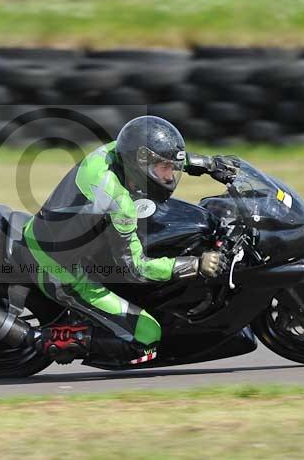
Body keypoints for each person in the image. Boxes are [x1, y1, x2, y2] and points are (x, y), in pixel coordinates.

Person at [22, 115, 240, 365]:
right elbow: (134, 268)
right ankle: (43, 338)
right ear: (140, 163)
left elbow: (151, 152)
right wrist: (194, 265)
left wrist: (206, 163)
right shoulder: (118, 203)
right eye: (164, 169)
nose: (169, 176)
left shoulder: (115, 151)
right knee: (147, 337)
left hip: (64, 236)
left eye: (171, 168)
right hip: (59, 269)